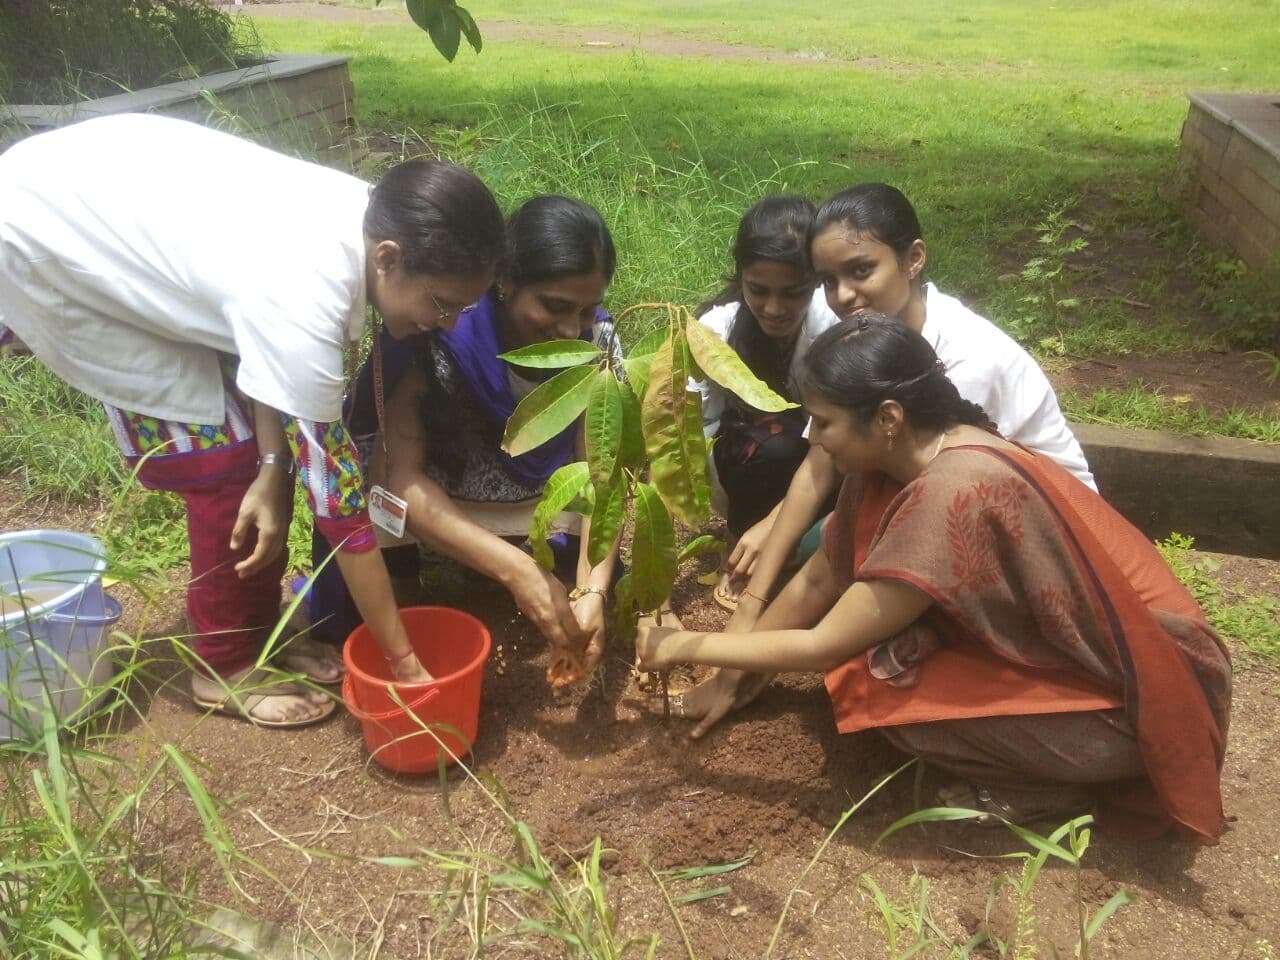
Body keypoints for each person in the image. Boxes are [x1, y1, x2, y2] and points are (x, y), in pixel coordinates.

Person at [638, 316, 1230, 840]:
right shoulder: (894, 458)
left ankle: (1050, 790)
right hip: (1103, 665)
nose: (810, 438)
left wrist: (684, 645)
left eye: (822, 422)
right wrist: (732, 678)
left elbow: (823, 644)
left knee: (879, 680)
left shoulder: (952, 490)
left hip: (1148, 708)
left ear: (887, 417)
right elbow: (819, 581)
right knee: (884, 650)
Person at [0, 114, 506, 726]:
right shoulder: (307, 291)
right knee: (221, 463)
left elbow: (268, 359)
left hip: (98, 195)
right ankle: (224, 666)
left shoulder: (378, 219)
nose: (447, 324)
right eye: (442, 303)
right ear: (388, 259)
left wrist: (274, 465)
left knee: (261, 467)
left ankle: (256, 635)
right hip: (49, 239)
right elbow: (341, 507)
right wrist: (405, 664)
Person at [680, 183, 1098, 733]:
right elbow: (820, 467)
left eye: (860, 271)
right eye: (828, 280)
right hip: (954, 506)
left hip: (1043, 537)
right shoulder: (872, 336)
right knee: (833, 539)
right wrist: (751, 610)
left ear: (913, 258)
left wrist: (718, 650)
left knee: (860, 617)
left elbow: (842, 568)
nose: (843, 295)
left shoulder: (964, 359)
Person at [306, 195, 622, 681]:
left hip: (541, 488)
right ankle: (408, 582)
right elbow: (401, 478)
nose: (569, 328)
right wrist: (516, 570)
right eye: (554, 306)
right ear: (505, 281)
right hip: (447, 490)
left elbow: (603, 473)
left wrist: (593, 589)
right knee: (375, 487)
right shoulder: (443, 329)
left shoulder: (596, 343)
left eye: (587, 310)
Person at [690, 196, 840, 609]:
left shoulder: (835, 327)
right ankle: (741, 540)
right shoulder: (715, 331)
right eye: (758, 290)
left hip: (827, 459)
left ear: (815, 280)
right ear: (741, 277)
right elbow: (687, 428)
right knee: (777, 444)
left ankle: (788, 543)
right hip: (755, 460)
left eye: (793, 293)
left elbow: (840, 437)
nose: (774, 309)